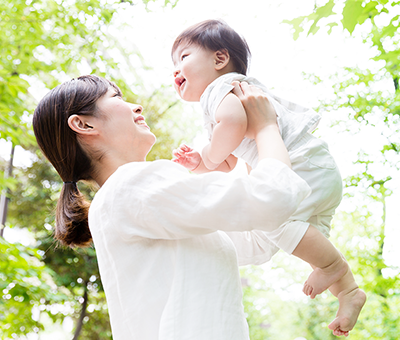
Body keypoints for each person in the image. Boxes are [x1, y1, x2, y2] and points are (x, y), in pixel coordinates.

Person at [33, 74, 311, 340]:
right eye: (116, 96)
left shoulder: (125, 199)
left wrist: (251, 148)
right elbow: (273, 197)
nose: (136, 105)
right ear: (84, 125)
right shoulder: (131, 186)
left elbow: (257, 242)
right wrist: (266, 127)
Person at [171, 19, 366, 337]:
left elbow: (232, 122)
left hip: (302, 169)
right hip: (315, 170)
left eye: (184, 57)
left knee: (270, 219)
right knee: (309, 241)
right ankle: (348, 291)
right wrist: (203, 164)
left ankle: (334, 268)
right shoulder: (229, 96)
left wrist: (206, 154)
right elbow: (232, 160)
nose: (176, 70)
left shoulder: (219, 89)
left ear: (219, 60)